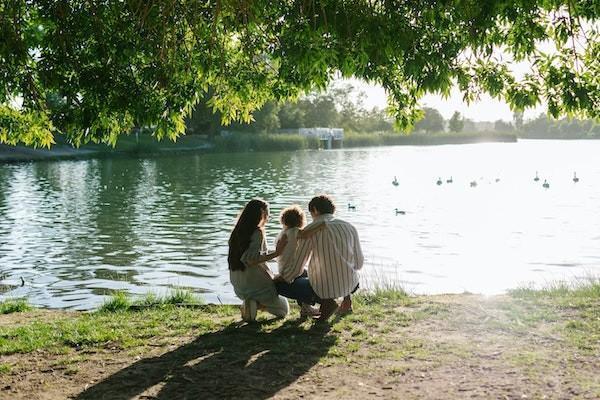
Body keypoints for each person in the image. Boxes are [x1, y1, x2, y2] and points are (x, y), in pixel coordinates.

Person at [276, 195, 363, 320]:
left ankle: (326, 303)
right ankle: (345, 299)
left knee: (281, 285)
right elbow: (358, 264)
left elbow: (298, 266)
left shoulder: (311, 230)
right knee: (340, 268)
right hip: (352, 284)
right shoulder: (349, 227)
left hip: (324, 289)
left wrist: (282, 278)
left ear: (315, 210)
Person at [228, 198, 289, 322]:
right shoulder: (258, 232)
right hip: (255, 284)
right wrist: (278, 253)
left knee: (273, 283)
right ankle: (255, 304)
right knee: (284, 311)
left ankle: (251, 304)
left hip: (238, 285)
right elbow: (251, 260)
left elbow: (252, 258)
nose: (268, 218)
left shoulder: (237, 231)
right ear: (261, 214)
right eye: (268, 215)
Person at [274, 205, 325, 317]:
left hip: (283, 266)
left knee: (305, 273)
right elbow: (305, 234)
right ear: (300, 220)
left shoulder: (283, 232)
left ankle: (306, 307)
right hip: (289, 268)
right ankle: (307, 308)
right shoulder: (294, 231)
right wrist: (320, 226)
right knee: (307, 277)